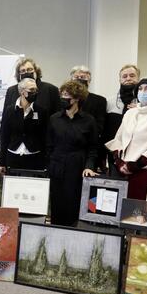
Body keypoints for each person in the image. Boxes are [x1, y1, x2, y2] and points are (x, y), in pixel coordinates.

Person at [106, 77, 147, 200]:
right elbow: (118, 139)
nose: (143, 92)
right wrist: (120, 163)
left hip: (146, 171)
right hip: (123, 170)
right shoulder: (130, 113)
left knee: (139, 213)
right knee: (120, 209)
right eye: (141, 88)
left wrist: (133, 166)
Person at [46, 81, 99, 227]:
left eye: (67, 96)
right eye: (62, 95)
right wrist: (50, 165)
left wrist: (89, 166)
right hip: (56, 167)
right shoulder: (54, 119)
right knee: (57, 205)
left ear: (77, 98)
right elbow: (49, 145)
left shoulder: (89, 120)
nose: (63, 98)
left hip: (77, 167)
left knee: (73, 205)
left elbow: (93, 148)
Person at [0, 77, 47, 171]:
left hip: (34, 157)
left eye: (36, 89)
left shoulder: (41, 111)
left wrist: (45, 162)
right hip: (13, 156)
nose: (35, 92)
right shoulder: (10, 111)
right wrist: (2, 162)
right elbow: (4, 137)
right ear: (22, 91)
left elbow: (44, 138)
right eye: (32, 90)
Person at [104, 64, 140, 175]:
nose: (128, 78)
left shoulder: (145, 104)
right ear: (119, 79)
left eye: (132, 76)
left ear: (138, 79)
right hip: (115, 155)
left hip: (138, 156)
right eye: (124, 76)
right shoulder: (109, 102)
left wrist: (140, 111)